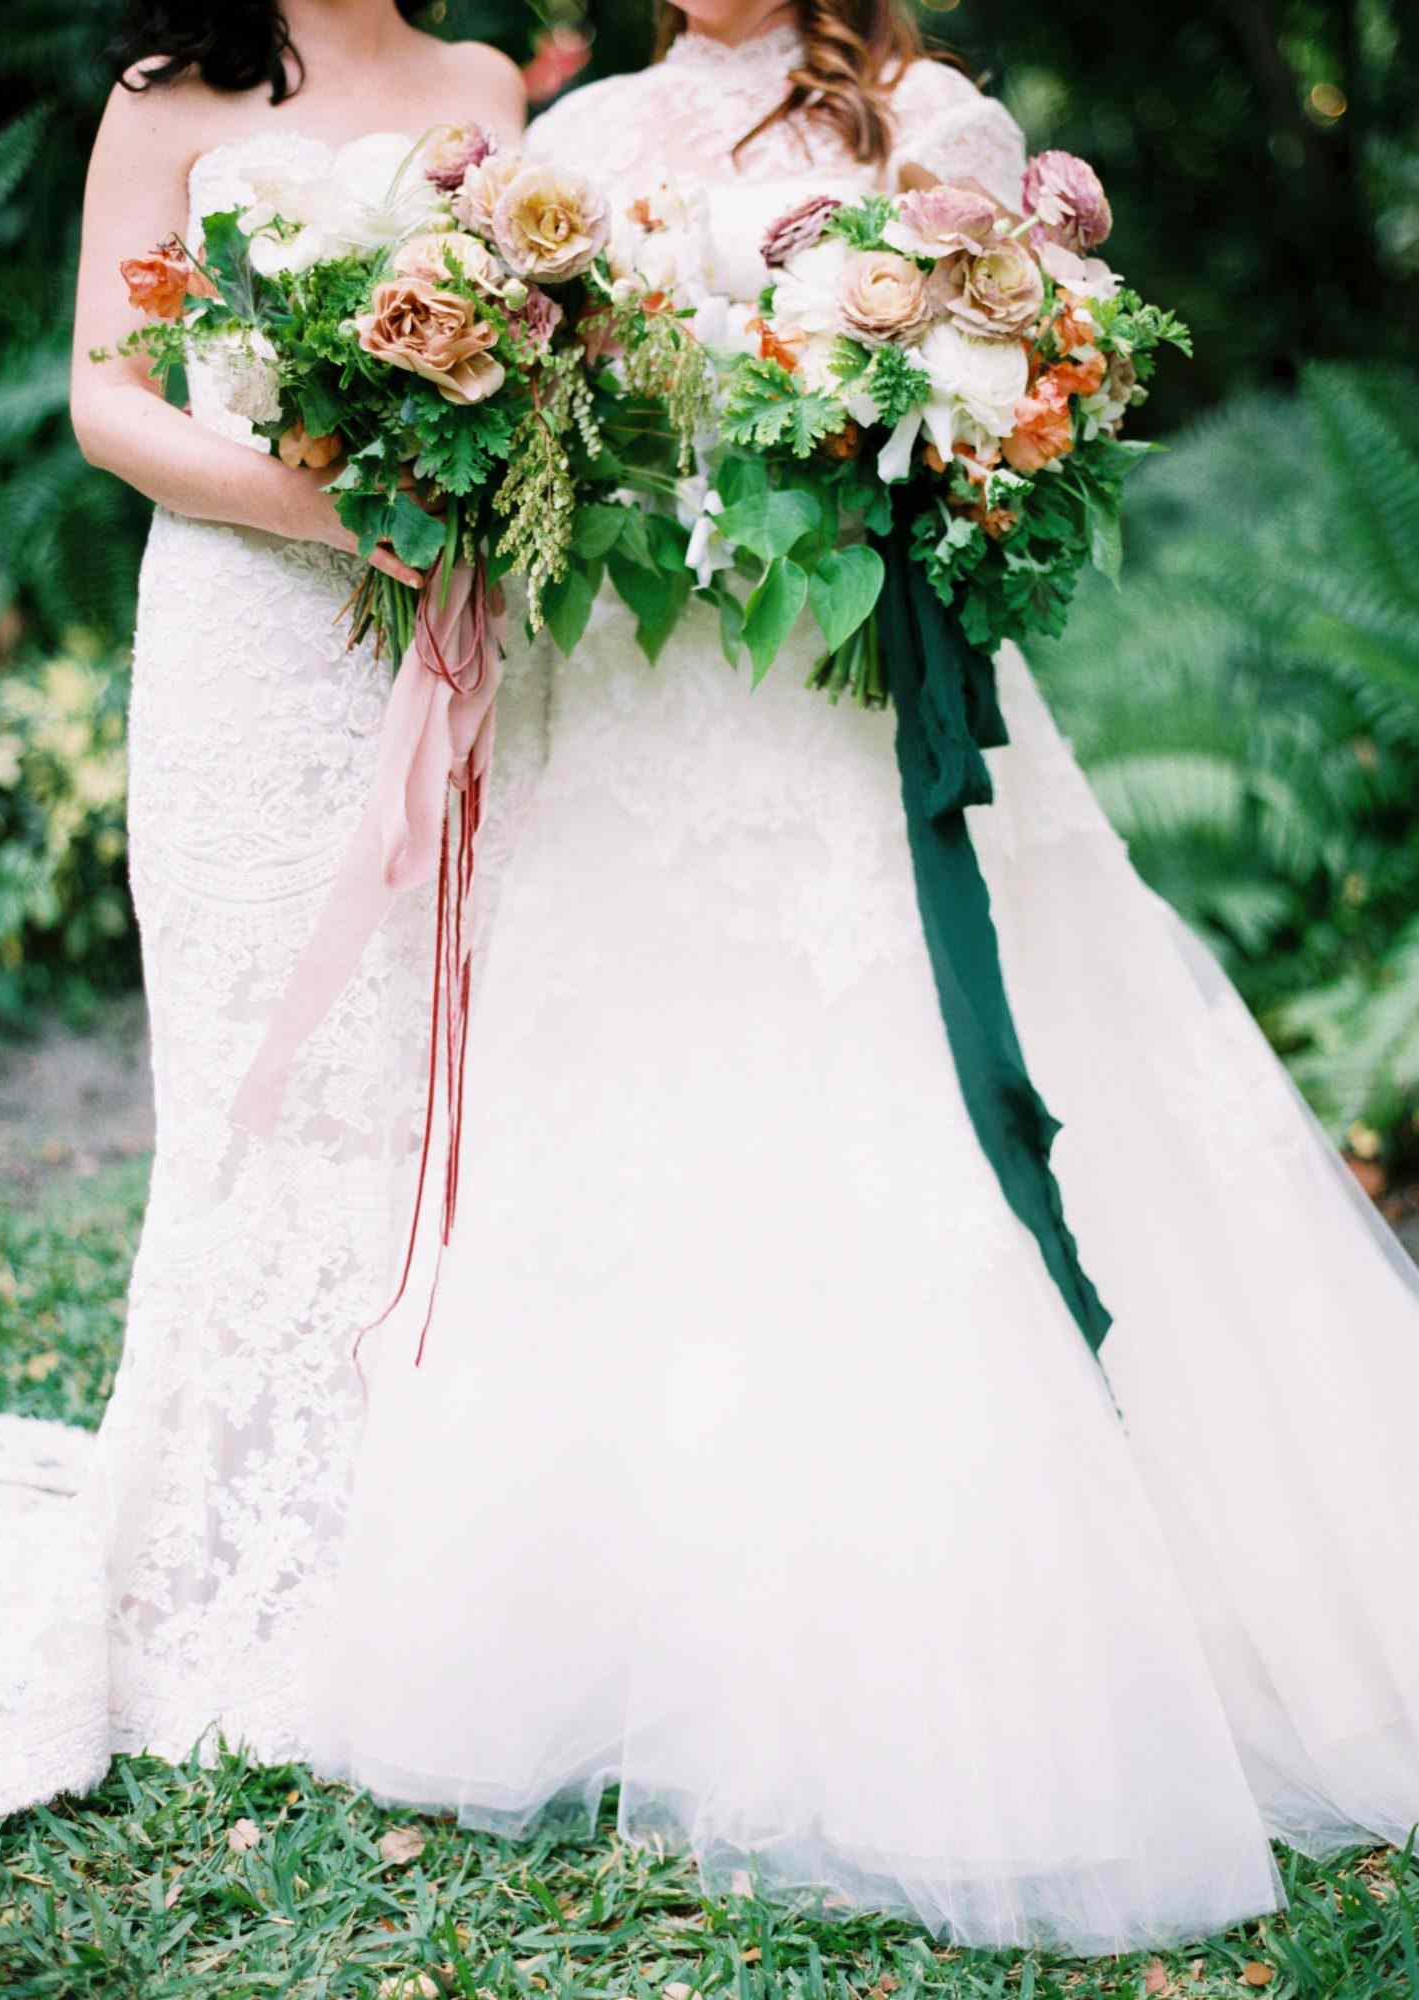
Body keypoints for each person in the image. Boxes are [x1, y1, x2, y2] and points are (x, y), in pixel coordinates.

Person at [305, 0, 1419, 1955]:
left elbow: (992, 408)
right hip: (636, 703)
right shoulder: (586, 137)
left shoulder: (936, 122)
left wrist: (898, 410)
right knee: (639, 1120)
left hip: (831, 703)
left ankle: (960, 1653)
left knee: (883, 1110)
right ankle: (613, 1624)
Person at [0, 0, 532, 1830]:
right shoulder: (164, 100)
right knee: (257, 1068)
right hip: (250, 642)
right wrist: (334, 515)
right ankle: (239, 1519)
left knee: (448, 1060)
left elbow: (537, 356)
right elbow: (111, 398)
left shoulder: (484, 90)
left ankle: (457, 1519)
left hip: (445, 638)